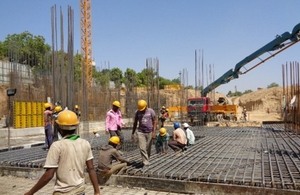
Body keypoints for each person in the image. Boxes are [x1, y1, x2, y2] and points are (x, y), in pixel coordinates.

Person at [24, 110, 100, 195]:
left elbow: (49, 175)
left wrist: (31, 192)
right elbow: (91, 169)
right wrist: (97, 191)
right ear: (76, 126)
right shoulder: (85, 143)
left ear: (59, 128)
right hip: (80, 191)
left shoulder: (57, 146)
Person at [131, 99, 157, 167]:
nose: (142, 110)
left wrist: (154, 132)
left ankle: (147, 159)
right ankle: (145, 162)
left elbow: (155, 121)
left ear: (146, 106)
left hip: (149, 132)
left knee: (148, 148)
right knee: (142, 148)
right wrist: (133, 132)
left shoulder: (151, 111)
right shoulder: (137, 112)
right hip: (141, 132)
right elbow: (135, 122)